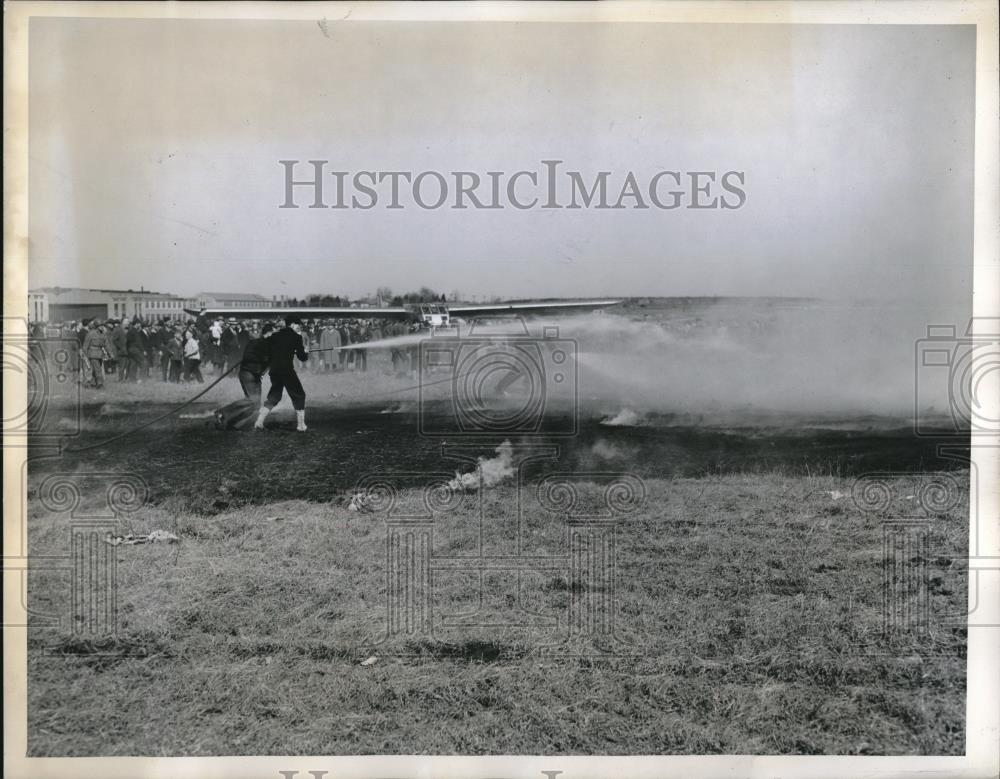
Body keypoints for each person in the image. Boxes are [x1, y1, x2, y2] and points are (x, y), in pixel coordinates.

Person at [255, 314, 309, 432]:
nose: (299, 327)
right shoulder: (296, 337)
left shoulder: (275, 336)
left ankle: (259, 421)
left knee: (274, 396)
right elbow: (302, 358)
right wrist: (305, 352)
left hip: (274, 371)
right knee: (299, 395)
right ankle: (301, 425)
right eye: (298, 325)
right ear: (293, 324)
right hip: (287, 370)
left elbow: (266, 350)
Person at [239, 322, 273, 405]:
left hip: (256, 375)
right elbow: (247, 356)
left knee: (257, 403)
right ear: (268, 333)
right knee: (252, 400)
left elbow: (270, 362)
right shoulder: (255, 342)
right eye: (273, 334)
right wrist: (263, 358)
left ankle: (247, 416)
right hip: (248, 373)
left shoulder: (269, 345)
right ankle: (223, 413)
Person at [81, 322, 111, 388]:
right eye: (100, 325)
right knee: (98, 369)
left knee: (96, 369)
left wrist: (110, 354)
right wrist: (85, 355)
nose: (102, 327)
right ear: (97, 326)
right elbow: (85, 345)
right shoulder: (90, 334)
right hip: (92, 354)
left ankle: (93, 383)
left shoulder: (103, 334)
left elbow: (107, 345)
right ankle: (100, 384)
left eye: (102, 325)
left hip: (100, 354)